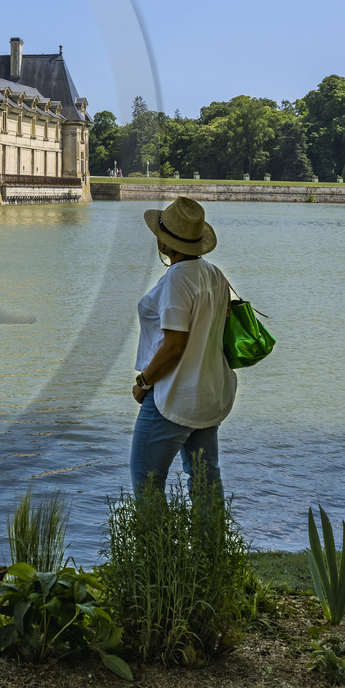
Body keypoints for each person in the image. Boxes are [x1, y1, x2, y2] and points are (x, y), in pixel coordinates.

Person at [129, 195, 237, 494]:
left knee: (146, 481)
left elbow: (175, 346)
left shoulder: (177, 280)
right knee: (205, 481)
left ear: (164, 244)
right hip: (207, 392)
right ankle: (211, 541)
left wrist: (144, 382)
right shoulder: (215, 275)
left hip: (172, 395)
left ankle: (152, 542)